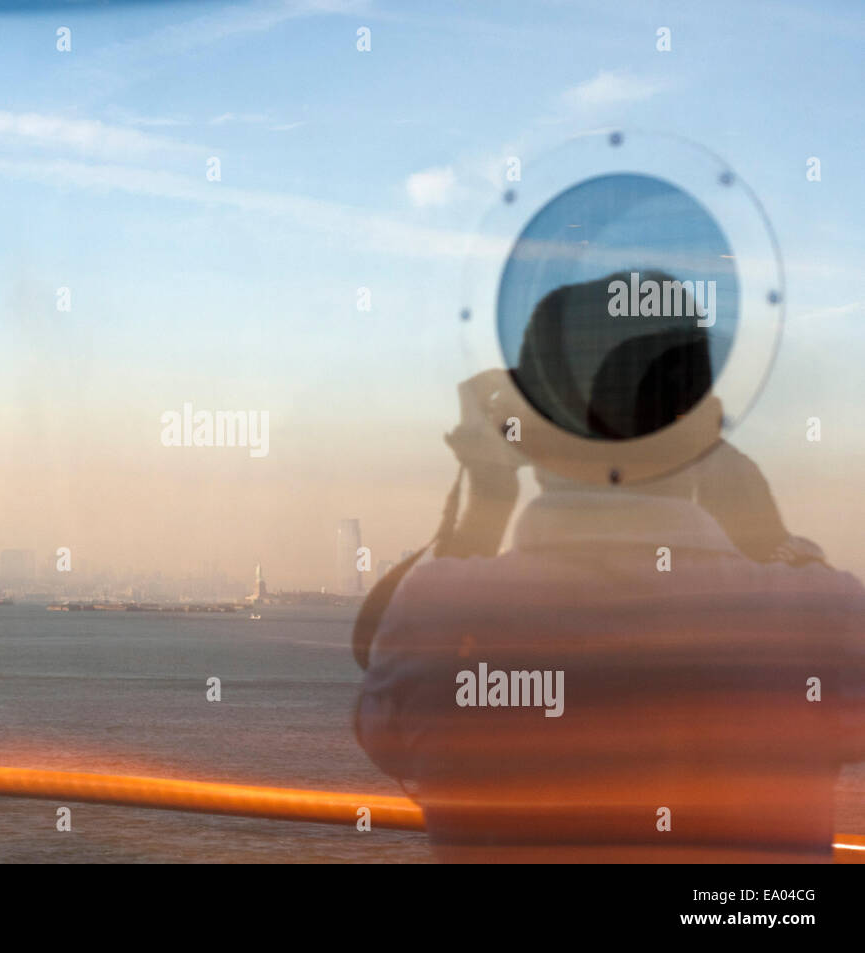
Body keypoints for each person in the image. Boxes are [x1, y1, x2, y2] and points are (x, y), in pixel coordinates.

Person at [353, 272, 865, 862]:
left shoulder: (442, 611)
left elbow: (386, 733)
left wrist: (485, 496)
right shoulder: (822, 617)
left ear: (530, 432)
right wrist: (772, 538)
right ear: (707, 425)